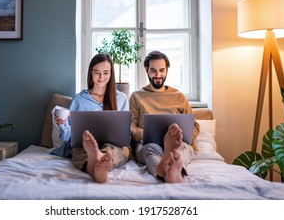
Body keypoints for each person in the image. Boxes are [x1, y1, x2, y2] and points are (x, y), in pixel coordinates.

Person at [52, 53, 130, 183]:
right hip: (84, 144)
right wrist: (63, 124)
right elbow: (70, 137)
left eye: (106, 73)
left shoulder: (121, 98)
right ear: (91, 73)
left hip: (113, 144)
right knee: (80, 152)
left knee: (113, 151)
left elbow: (125, 133)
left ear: (111, 74)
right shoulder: (79, 99)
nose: (101, 77)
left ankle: (98, 162)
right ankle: (96, 163)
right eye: (97, 72)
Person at [129, 50, 200, 183]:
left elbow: (194, 125)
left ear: (167, 70)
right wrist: (149, 135)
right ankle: (162, 171)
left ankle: (175, 169)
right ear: (146, 70)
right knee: (151, 148)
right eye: (153, 70)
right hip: (149, 143)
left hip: (177, 143)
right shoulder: (136, 96)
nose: (158, 75)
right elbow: (131, 128)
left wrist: (181, 137)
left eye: (162, 70)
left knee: (183, 147)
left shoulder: (178, 96)